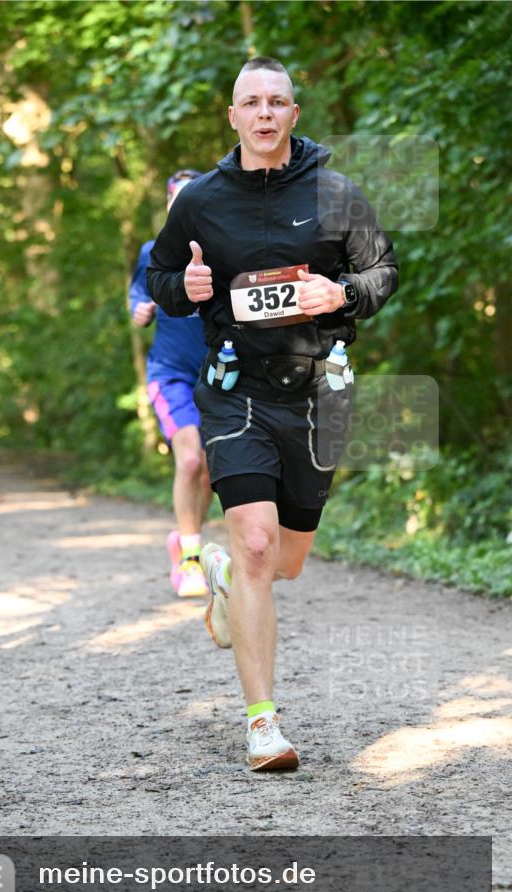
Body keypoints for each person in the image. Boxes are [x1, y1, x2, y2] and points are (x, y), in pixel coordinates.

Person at [147, 57, 398, 771]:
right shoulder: (199, 200)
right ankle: (264, 726)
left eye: (276, 102)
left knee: (286, 561)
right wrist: (183, 283)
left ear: (293, 114)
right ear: (232, 118)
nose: (263, 113)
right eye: (250, 102)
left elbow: (383, 271)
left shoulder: (335, 194)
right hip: (234, 390)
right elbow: (162, 276)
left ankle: (226, 580)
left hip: (319, 391)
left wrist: (340, 295)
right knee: (255, 545)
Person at [130, 170, 212, 598]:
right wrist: (139, 312)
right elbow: (135, 299)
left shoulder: (224, 250)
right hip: (171, 375)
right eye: (177, 201)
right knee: (190, 461)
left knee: (212, 474)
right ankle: (191, 559)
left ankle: (185, 538)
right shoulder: (152, 252)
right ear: (168, 206)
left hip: (220, 378)